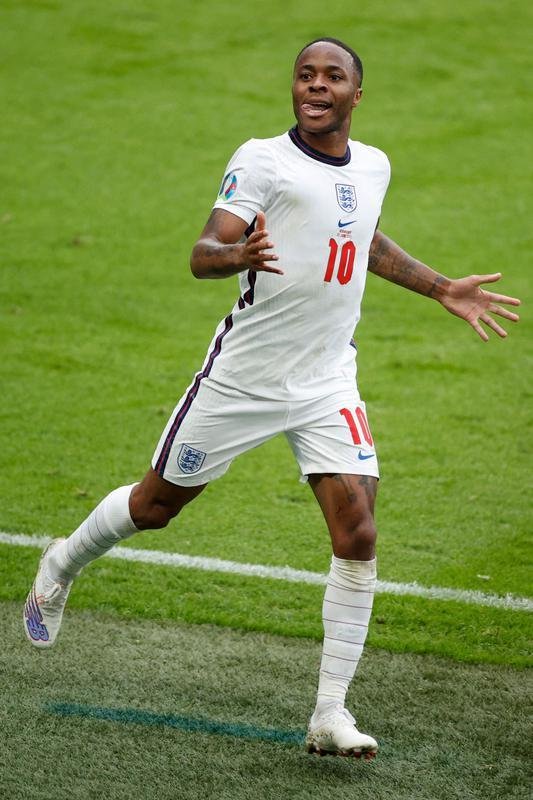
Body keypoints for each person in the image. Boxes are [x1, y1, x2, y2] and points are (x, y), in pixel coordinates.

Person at [23, 37, 520, 759]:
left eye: (332, 77)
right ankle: (62, 563)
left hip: (326, 380)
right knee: (154, 507)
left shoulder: (373, 165)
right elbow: (203, 253)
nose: (316, 85)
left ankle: (329, 714)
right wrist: (238, 255)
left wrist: (441, 287)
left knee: (358, 534)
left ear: (356, 94)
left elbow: (360, 237)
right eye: (304, 75)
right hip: (243, 380)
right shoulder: (262, 160)